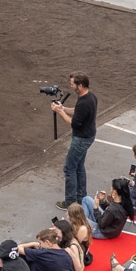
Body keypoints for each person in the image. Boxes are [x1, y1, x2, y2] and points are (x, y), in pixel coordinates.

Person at [54, 75, 96, 208]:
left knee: (69, 168)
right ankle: (81, 197)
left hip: (81, 139)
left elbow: (74, 124)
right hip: (88, 136)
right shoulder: (90, 96)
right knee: (79, 166)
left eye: (73, 84)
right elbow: (77, 111)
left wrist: (60, 112)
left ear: (80, 85)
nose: (71, 86)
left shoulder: (84, 102)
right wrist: (63, 108)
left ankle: (70, 202)